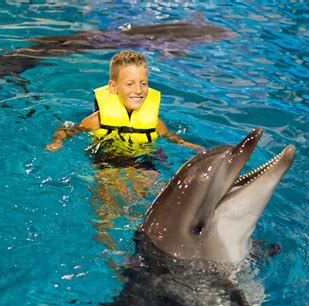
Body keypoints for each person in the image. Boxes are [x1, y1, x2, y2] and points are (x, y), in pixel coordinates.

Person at [45, 50, 203, 249]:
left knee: (162, 196)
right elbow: (67, 130)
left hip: (142, 162)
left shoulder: (153, 122)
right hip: (107, 163)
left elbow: (172, 137)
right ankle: (110, 250)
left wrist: (191, 146)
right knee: (106, 212)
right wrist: (57, 141)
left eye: (143, 83)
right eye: (130, 84)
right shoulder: (98, 119)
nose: (138, 90)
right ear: (113, 87)